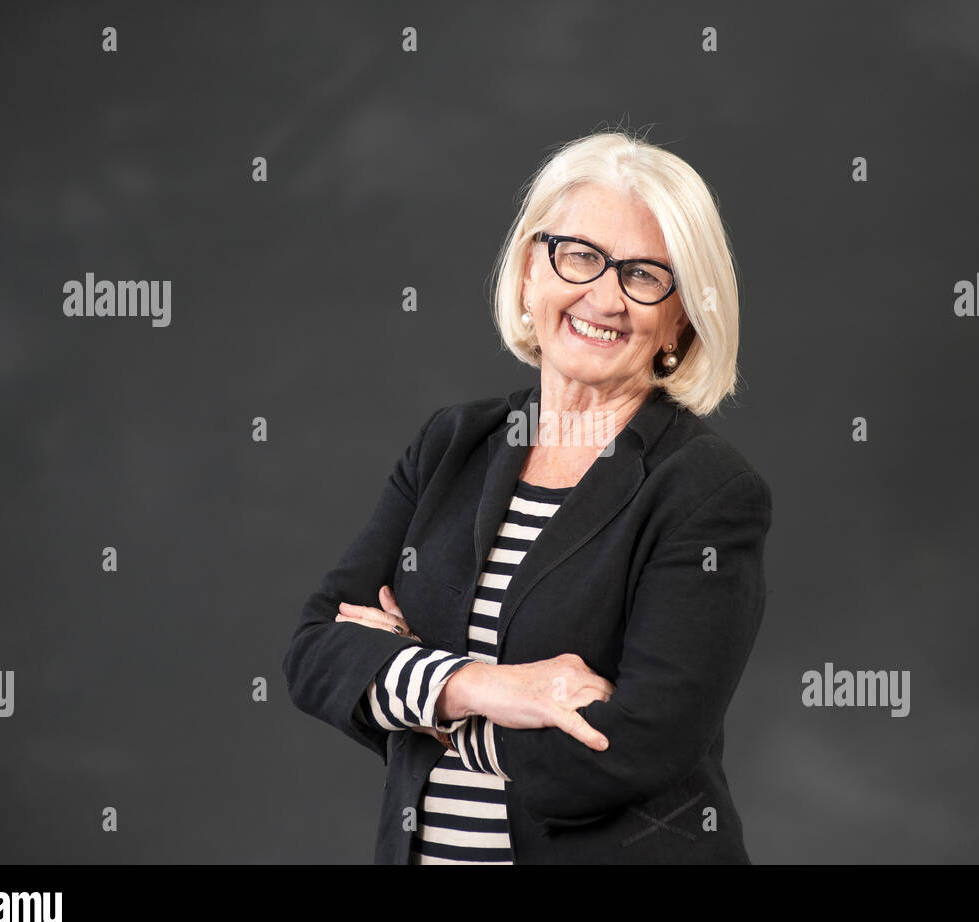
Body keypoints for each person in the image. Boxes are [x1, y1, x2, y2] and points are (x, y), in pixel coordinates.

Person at [283, 128, 772, 864]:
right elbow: (316, 653)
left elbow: (625, 749)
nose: (604, 296)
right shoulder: (452, 445)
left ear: (681, 318)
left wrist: (421, 697)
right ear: (527, 273)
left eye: (645, 275)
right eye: (578, 255)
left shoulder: (707, 491)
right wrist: (487, 685)